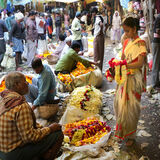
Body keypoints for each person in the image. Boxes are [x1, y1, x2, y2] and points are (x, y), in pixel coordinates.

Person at [0, 72, 63, 160]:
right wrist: (50, 129)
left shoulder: (4, 99)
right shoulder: (20, 105)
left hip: (3, 151)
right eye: (24, 82)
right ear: (17, 85)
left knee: (43, 132)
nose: (27, 84)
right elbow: (30, 137)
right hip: (12, 153)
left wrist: (43, 128)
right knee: (58, 134)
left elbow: (26, 125)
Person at [114, 17, 147, 146]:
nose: (125, 34)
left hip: (134, 79)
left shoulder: (141, 43)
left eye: (127, 31)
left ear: (134, 29)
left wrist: (124, 66)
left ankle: (131, 136)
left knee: (132, 108)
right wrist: (116, 67)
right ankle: (122, 132)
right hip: (123, 78)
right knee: (120, 106)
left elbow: (140, 63)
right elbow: (122, 58)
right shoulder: (126, 41)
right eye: (124, 31)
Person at [151, 14, 160, 90]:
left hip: (157, 42)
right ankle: (154, 84)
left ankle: (157, 82)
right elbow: (158, 30)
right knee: (156, 63)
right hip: (157, 43)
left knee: (157, 63)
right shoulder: (159, 17)